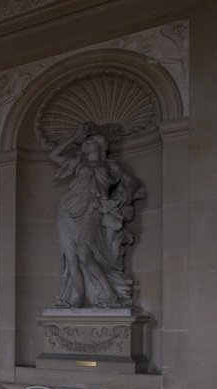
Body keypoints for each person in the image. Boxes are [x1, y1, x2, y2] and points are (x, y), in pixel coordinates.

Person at [45, 122, 144, 308]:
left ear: (101, 146)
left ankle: (109, 294)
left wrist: (126, 197)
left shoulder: (109, 165)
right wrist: (75, 138)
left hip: (93, 209)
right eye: (86, 142)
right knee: (71, 258)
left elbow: (132, 182)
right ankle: (79, 297)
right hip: (67, 210)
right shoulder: (78, 163)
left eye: (91, 141)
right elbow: (53, 155)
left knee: (84, 255)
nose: (86, 144)